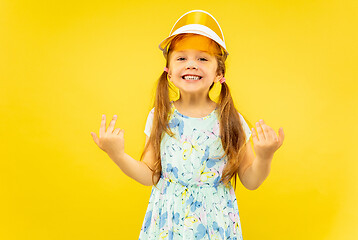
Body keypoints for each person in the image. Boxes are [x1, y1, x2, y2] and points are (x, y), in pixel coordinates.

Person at [91, 9, 285, 240]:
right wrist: (117, 154)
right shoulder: (160, 116)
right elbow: (149, 176)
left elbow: (251, 181)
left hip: (214, 225)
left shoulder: (231, 120)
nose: (192, 64)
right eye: (182, 58)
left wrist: (265, 156)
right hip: (167, 224)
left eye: (202, 58)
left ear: (219, 73)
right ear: (169, 72)